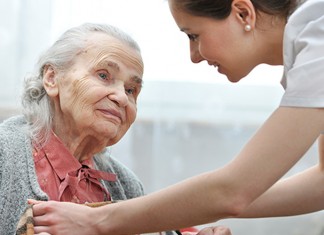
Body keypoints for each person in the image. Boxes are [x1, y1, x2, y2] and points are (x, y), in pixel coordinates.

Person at [31, 0, 324, 234]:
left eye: (193, 35)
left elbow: (233, 191)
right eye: (103, 75)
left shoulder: (318, 40)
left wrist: (98, 219)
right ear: (52, 78)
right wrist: (194, 210)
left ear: (243, 12)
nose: (194, 56)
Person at [0, 22, 148, 235]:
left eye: (131, 90)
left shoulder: (128, 186)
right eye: (104, 75)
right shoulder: (5, 155)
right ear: (52, 78)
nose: (122, 98)